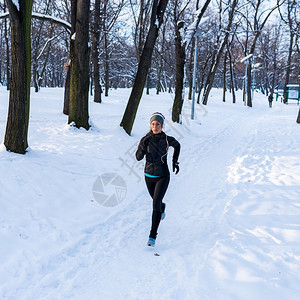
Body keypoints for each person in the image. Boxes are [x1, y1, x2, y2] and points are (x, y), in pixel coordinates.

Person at [136, 112, 180, 247]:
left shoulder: (167, 139)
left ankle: (152, 236)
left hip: (163, 175)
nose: (155, 127)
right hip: (148, 176)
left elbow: (177, 145)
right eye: (153, 124)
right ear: (150, 125)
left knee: (154, 205)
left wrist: (175, 162)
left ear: (162, 126)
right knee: (157, 202)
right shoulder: (145, 140)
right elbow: (138, 157)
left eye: (158, 124)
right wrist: (142, 148)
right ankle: (162, 207)